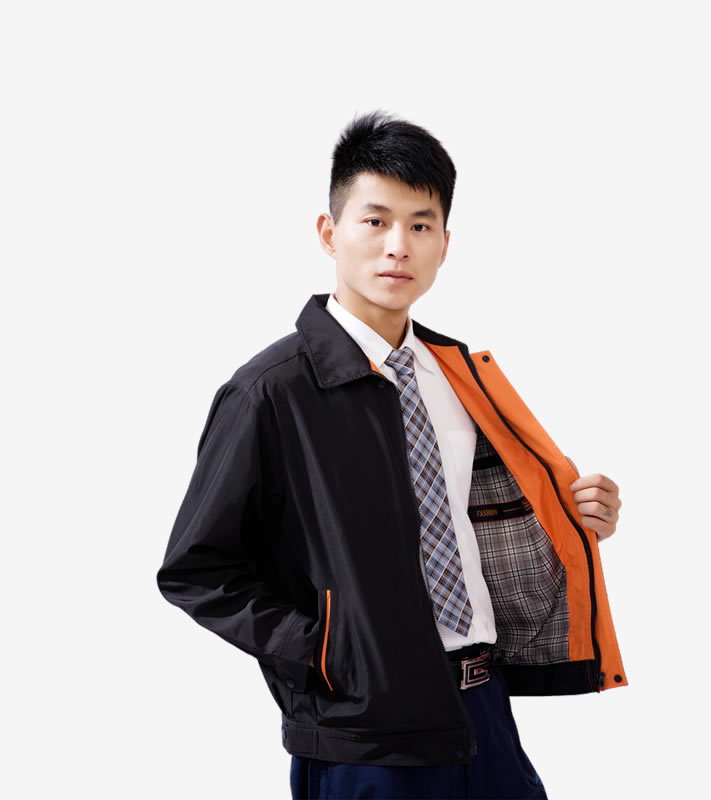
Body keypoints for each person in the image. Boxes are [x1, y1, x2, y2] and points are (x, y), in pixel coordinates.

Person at [157, 109, 627, 799]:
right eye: (375, 221)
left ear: (445, 243)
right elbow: (197, 569)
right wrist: (327, 652)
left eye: (420, 225)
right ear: (330, 232)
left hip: (483, 708)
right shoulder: (270, 392)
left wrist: (575, 516)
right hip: (364, 732)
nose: (397, 247)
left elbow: (479, 519)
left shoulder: (460, 374)